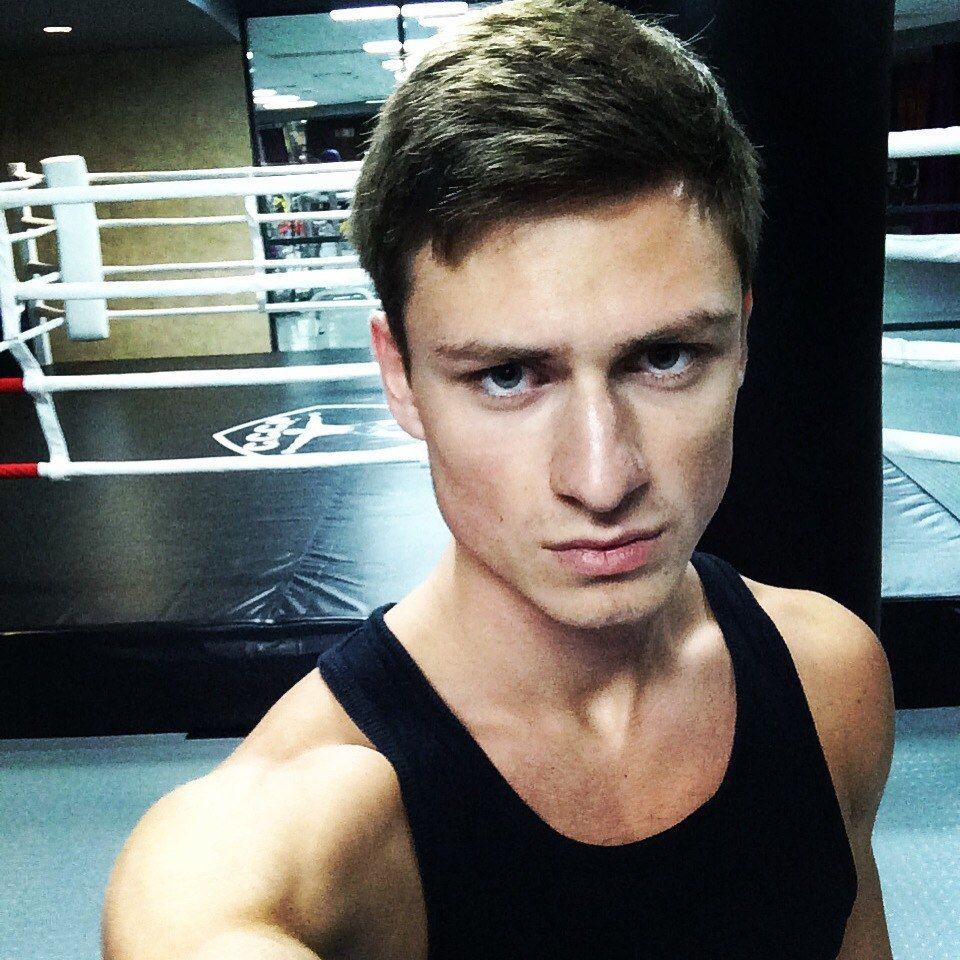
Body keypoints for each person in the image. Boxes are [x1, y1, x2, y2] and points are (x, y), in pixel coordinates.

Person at [101, 1, 895, 957]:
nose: (602, 478)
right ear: (400, 375)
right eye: (508, 375)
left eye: (665, 357)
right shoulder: (321, 801)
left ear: (742, 341)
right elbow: (195, 910)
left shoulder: (830, 677)